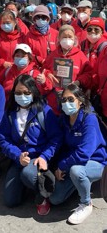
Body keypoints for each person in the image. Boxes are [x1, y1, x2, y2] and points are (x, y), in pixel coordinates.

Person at [0, 74, 60, 213]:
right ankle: (29, 184)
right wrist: (17, 155)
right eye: (18, 93)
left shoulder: (43, 110)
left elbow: (56, 138)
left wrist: (44, 156)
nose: (22, 96)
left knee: (28, 174)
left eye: (26, 93)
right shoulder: (10, 112)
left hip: (39, 158)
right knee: (10, 201)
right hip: (19, 158)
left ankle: (43, 194)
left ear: (33, 92)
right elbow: (3, 138)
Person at [48, 83, 107, 224]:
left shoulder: (89, 119)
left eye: (70, 99)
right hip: (73, 161)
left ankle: (86, 203)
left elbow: (84, 153)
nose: (66, 103)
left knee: (76, 171)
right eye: (63, 100)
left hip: (97, 162)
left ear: (80, 101)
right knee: (55, 199)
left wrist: (62, 165)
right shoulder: (64, 119)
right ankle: (81, 184)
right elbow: (62, 145)